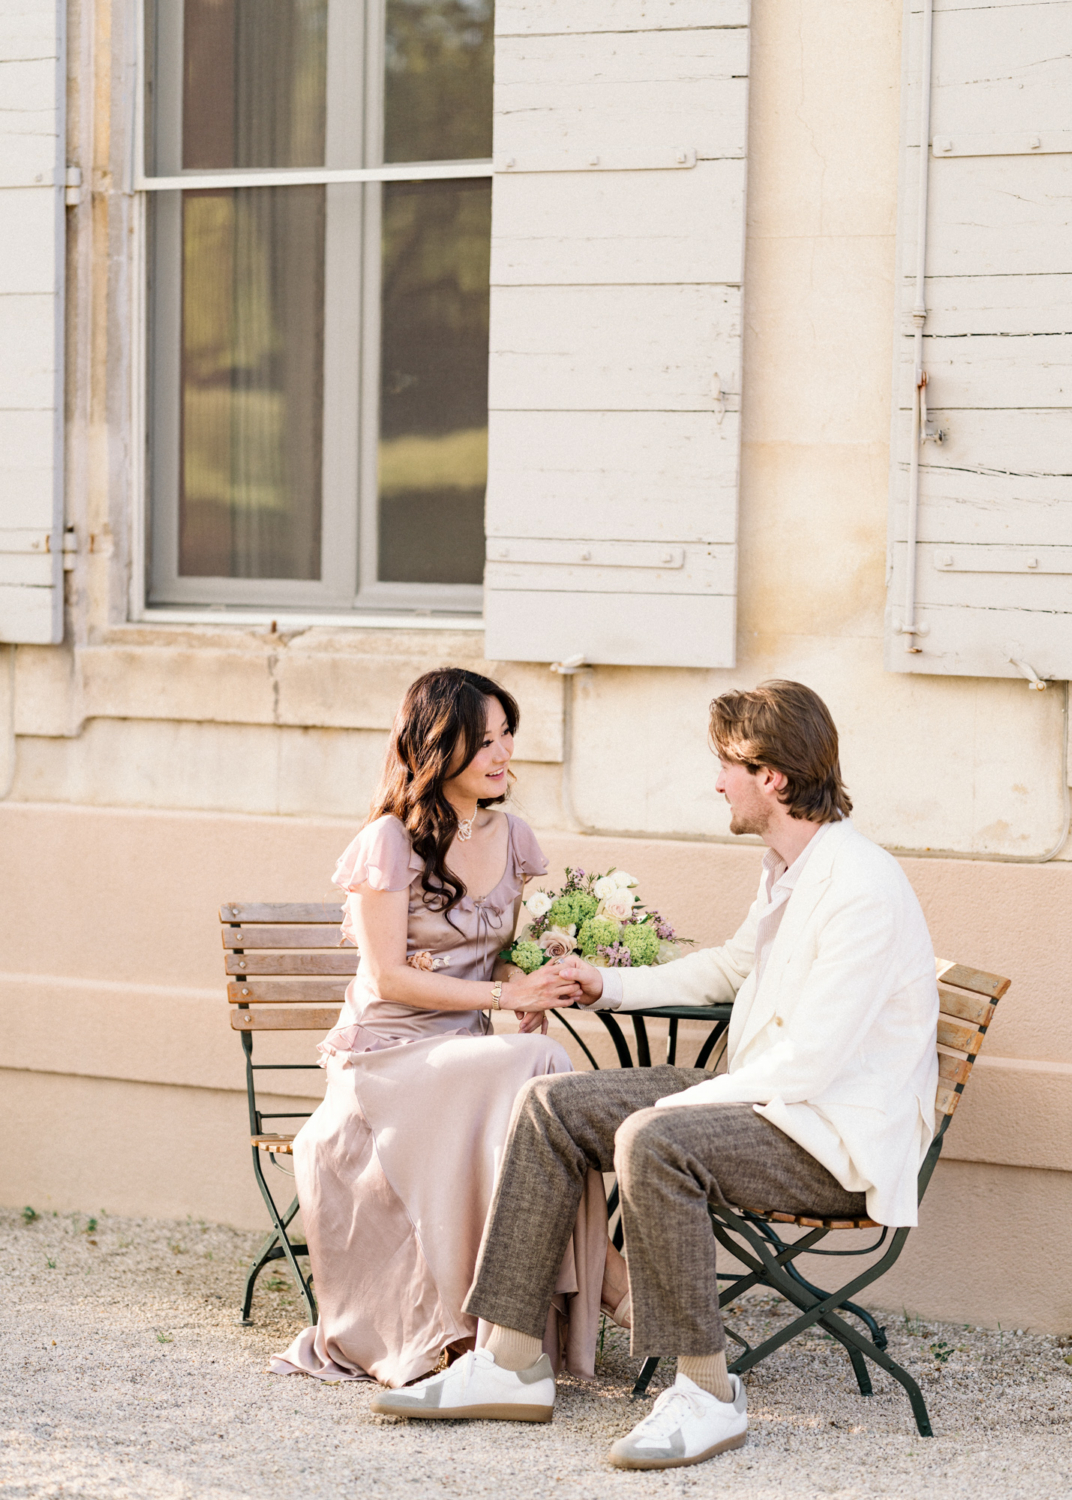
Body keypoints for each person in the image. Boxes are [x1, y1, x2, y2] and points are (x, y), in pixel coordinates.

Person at [371, 680, 939, 1470]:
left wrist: (681, 1102)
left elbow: (811, 1062)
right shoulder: (791, 866)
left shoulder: (860, 885)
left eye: (726, 767)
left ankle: (706, 1393)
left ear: (770, 776)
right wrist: (611, 984)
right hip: (776, 1105)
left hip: (831, 1135)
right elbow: (735, 966)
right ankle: (509, 1362)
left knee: (655, 1137)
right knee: (549, 1104)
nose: (717, 784)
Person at [270, 667, 614, 1388]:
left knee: (536, 1068)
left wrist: (534, 989)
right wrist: (500, 998)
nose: (502, 753)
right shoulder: (388, 841)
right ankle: (613, 1290)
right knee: (540, 1068)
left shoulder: (513, 836)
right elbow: (389, 977)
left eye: (506, 735)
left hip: (466, 1060)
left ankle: (528, 1325)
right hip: (386, 1062)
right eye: (482, 740)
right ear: (438, 746)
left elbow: (504, 959)